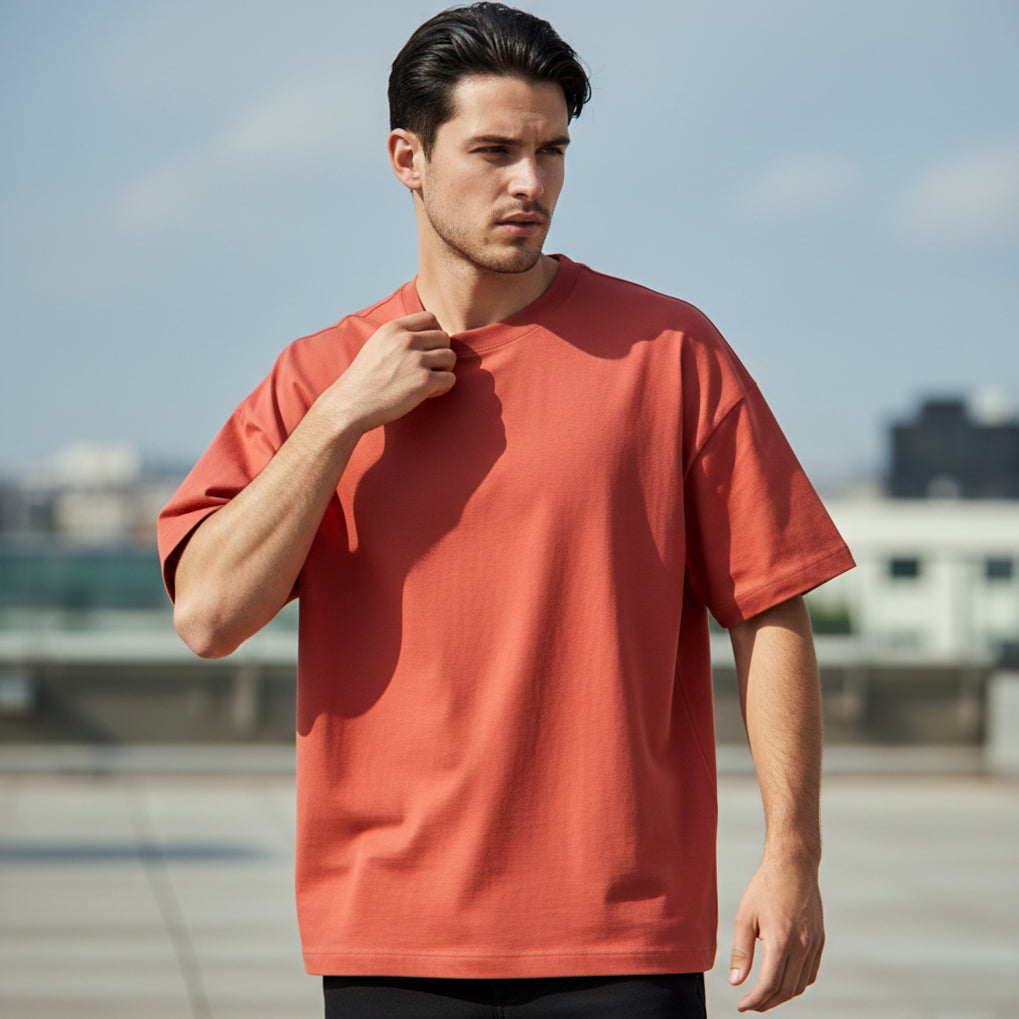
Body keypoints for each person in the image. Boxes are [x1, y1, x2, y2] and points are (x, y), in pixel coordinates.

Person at [158, 4, 854, 1016]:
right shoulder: (321, 374)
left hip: (621, 931)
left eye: (551, 151)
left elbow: (769, 607)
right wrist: (340, 419)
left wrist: (792, 854)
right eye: (493, 152)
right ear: (407, 158)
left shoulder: (668, 352)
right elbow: (208, 615)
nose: (530, 184)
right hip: (393, 930)